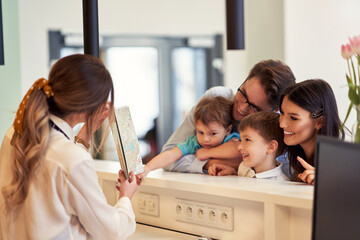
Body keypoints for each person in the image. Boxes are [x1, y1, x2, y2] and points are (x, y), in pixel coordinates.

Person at [0, 54, 137, 240]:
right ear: (89, 106)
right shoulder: (72, 159)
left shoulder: (14, 133)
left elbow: (58, 170)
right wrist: (126, 197)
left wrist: (87, 130)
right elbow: (110, 231)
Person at [162, 59, 296, 175]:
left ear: (275, 111)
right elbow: (168, 158)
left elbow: (278, 170)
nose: (242, 108)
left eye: (254, 107)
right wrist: (211, 164)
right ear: (248, 75)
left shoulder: (277, 128)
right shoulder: (215, 100)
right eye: (243, 93)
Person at [137, 96, 240, 182]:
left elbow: (238, 150)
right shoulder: (194, 142)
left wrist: (207, 153)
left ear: (228, 130)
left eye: (213, 133)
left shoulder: (231, 139)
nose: (205, 139)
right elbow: (170, 155)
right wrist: (148, 168)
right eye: (200, 132)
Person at [279, 79, 344, 184]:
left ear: (320, 122)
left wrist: (327, 183)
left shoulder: (342, 167)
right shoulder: (292, 160)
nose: (282, 123)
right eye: (282, 113)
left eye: (293, 118)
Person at [208, 112, 288, 181]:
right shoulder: (243, 168)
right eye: (241, 140)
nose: (239, 147)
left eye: (247, 140)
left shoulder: (282, 183)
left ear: (271, 147)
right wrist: (233, 173)